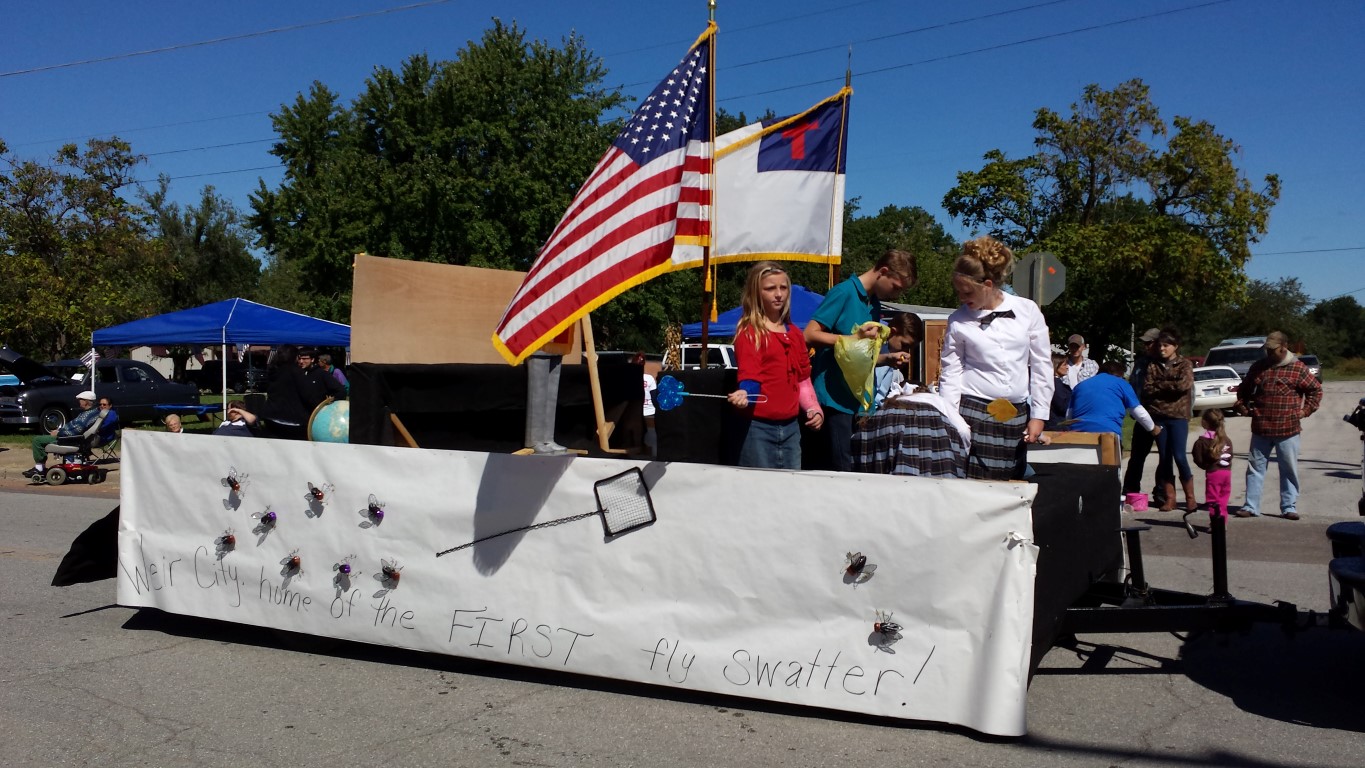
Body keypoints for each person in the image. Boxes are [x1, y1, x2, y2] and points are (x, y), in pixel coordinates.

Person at [938, 236, 1053, 480]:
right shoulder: (958, 320)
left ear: (987, 285)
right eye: (958, 292)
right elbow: (951, 373)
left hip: (1016, 414)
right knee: (977, 486)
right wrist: (952, 419)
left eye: (967, 292)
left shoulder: (1027, 310)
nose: (961, 298)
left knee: (1013, 484)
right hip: (974, 414)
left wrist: (1039, 415)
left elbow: (1042, 366)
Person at [804, 249, 916, 470]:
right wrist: (853, 338)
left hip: (856, 404)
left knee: (854, 469)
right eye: (896, 287)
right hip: (832, 400)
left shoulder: (873, 305)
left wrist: (887, 359)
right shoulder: (843, 292)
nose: (896, 295)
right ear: (883, 271)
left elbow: (858, 356)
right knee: (839, 471)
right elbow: (808, 334)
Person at [727, 262, 823, 469]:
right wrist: (745, 393)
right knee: (759, 486)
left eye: (783, 287)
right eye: (770, 288)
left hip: (791, 428)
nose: (779, 294)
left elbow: (802, 379)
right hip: (757, 429)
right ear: (756, 293)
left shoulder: (795, 334)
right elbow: (750, 376)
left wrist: (813, 408)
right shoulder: (749, 333)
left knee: (790, 485)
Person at [1233, 330, 1322, 520]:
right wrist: (1242, 406)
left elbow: (1315, 390)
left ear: (1284, 347)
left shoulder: (1297, 368)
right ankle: (1251, 506)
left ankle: (1289, 507)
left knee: (1288, 468)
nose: (1269, 353)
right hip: (1261, 427)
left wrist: (1305, 411)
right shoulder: (1259, 367)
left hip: (1288, 429)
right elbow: (1244, 389)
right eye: (1267, 349)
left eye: (1273, 350)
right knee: (1255, 468)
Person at [1143, 330, 1196, 512]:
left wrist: (1161, 385)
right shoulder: (1153, 365)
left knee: (1180, 456)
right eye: (1160, 345)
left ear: (1175, 346)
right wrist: (1169, 385)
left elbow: (1183, 385)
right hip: (1159, 416)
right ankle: (1170, 498)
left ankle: (1190, 497)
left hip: (1178, 416)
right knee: (1165, 458)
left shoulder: (1185, 364)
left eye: (1166, 345)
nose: (1162, 348)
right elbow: (1148, 388)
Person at [1069, 361, 1161, 443]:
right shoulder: (1121, 383)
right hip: (1108, 433)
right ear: (1119, 374)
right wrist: (1152, 428)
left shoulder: (1079, 386)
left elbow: (1069, 414)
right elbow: (1138, 411)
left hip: (1077, 434)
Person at [1122, 327, 1164, 504]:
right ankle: (1130, 490)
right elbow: (1132, 386)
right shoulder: (1140, 363)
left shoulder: (1168, 362)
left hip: (1163, 415)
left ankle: (1161, 492)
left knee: (1165, 456)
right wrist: (1134, 410)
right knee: (1137, 456)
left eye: (1150, 342)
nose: (1146, 346)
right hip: (1143, 414)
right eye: (1145, 343)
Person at [25, 390, 103, 479]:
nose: (79, 402)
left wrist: (59, 433)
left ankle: (39, 469)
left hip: (69, 439)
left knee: (37, 440)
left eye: (80, 400)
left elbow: (77, 429)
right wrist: (60, 430)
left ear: (86, 401)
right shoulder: (93, 412)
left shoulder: (87, 415)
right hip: (73, 438)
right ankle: (40, 468)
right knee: (41, 439)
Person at [872, 312, 923, 410]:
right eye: (904, 345)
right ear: (893, 332)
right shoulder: (872, 337)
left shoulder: (891, 352)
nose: (905, 351)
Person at [1192, 409, 1234, 520]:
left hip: (1213, 474)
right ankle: (1223, 522)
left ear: (1204, 423)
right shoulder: (1226, 440)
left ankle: (1216, 524)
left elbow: (1198, 459)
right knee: (1223, 499)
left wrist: (1206, 466)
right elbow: (1230, 455)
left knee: (1213, 500)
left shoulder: (1202, 442)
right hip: (1227, 473)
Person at [1046, 354, 1072, 430]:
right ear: (1056, 366)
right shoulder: (1056, 383)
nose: (1067, 367)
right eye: (1064, 365)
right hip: (1057, 424)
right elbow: (1061, 406)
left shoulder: (1053, 382)